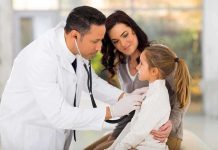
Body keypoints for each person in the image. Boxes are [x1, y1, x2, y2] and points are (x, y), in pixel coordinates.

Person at [0, 6, 143, 150]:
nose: (100, 47)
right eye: (95, 41)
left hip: (57, 133)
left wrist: (124, 96)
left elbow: (92, 83)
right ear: (74, 35)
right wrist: (112, 111)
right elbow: (59, 115)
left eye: (101, 40)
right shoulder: (41, 58)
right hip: (30, 136)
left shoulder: (76, 47)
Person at [85, 10, 188, 150]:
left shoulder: (157, 56)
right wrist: (116, 134)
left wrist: (171, 123)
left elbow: (182, 96)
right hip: (137, 129)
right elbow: (132, 108)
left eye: (125, 35)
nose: (123, 44)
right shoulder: (121, 66)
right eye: (116, 41)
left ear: (133, 30)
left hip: (160, 135)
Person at [108, 44, 191, 150]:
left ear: (154, 71)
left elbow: (138, 133)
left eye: (141, 64)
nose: (137, 67)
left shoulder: (155, 99)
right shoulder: (152, 91)